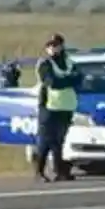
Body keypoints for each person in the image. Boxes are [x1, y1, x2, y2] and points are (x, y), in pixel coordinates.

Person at [33, 33, 82, 183]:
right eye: (50, 46)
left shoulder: (69, 62)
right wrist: (68, 80)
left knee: (59, 141)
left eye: (56, 45)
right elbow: (52, 82)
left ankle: (60, 171)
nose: (53, 48)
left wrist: (65, 81)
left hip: (66, 106)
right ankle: (39, 172)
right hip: (49, 107)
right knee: (46, 140)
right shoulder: (45, 64)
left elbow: (79, 79)